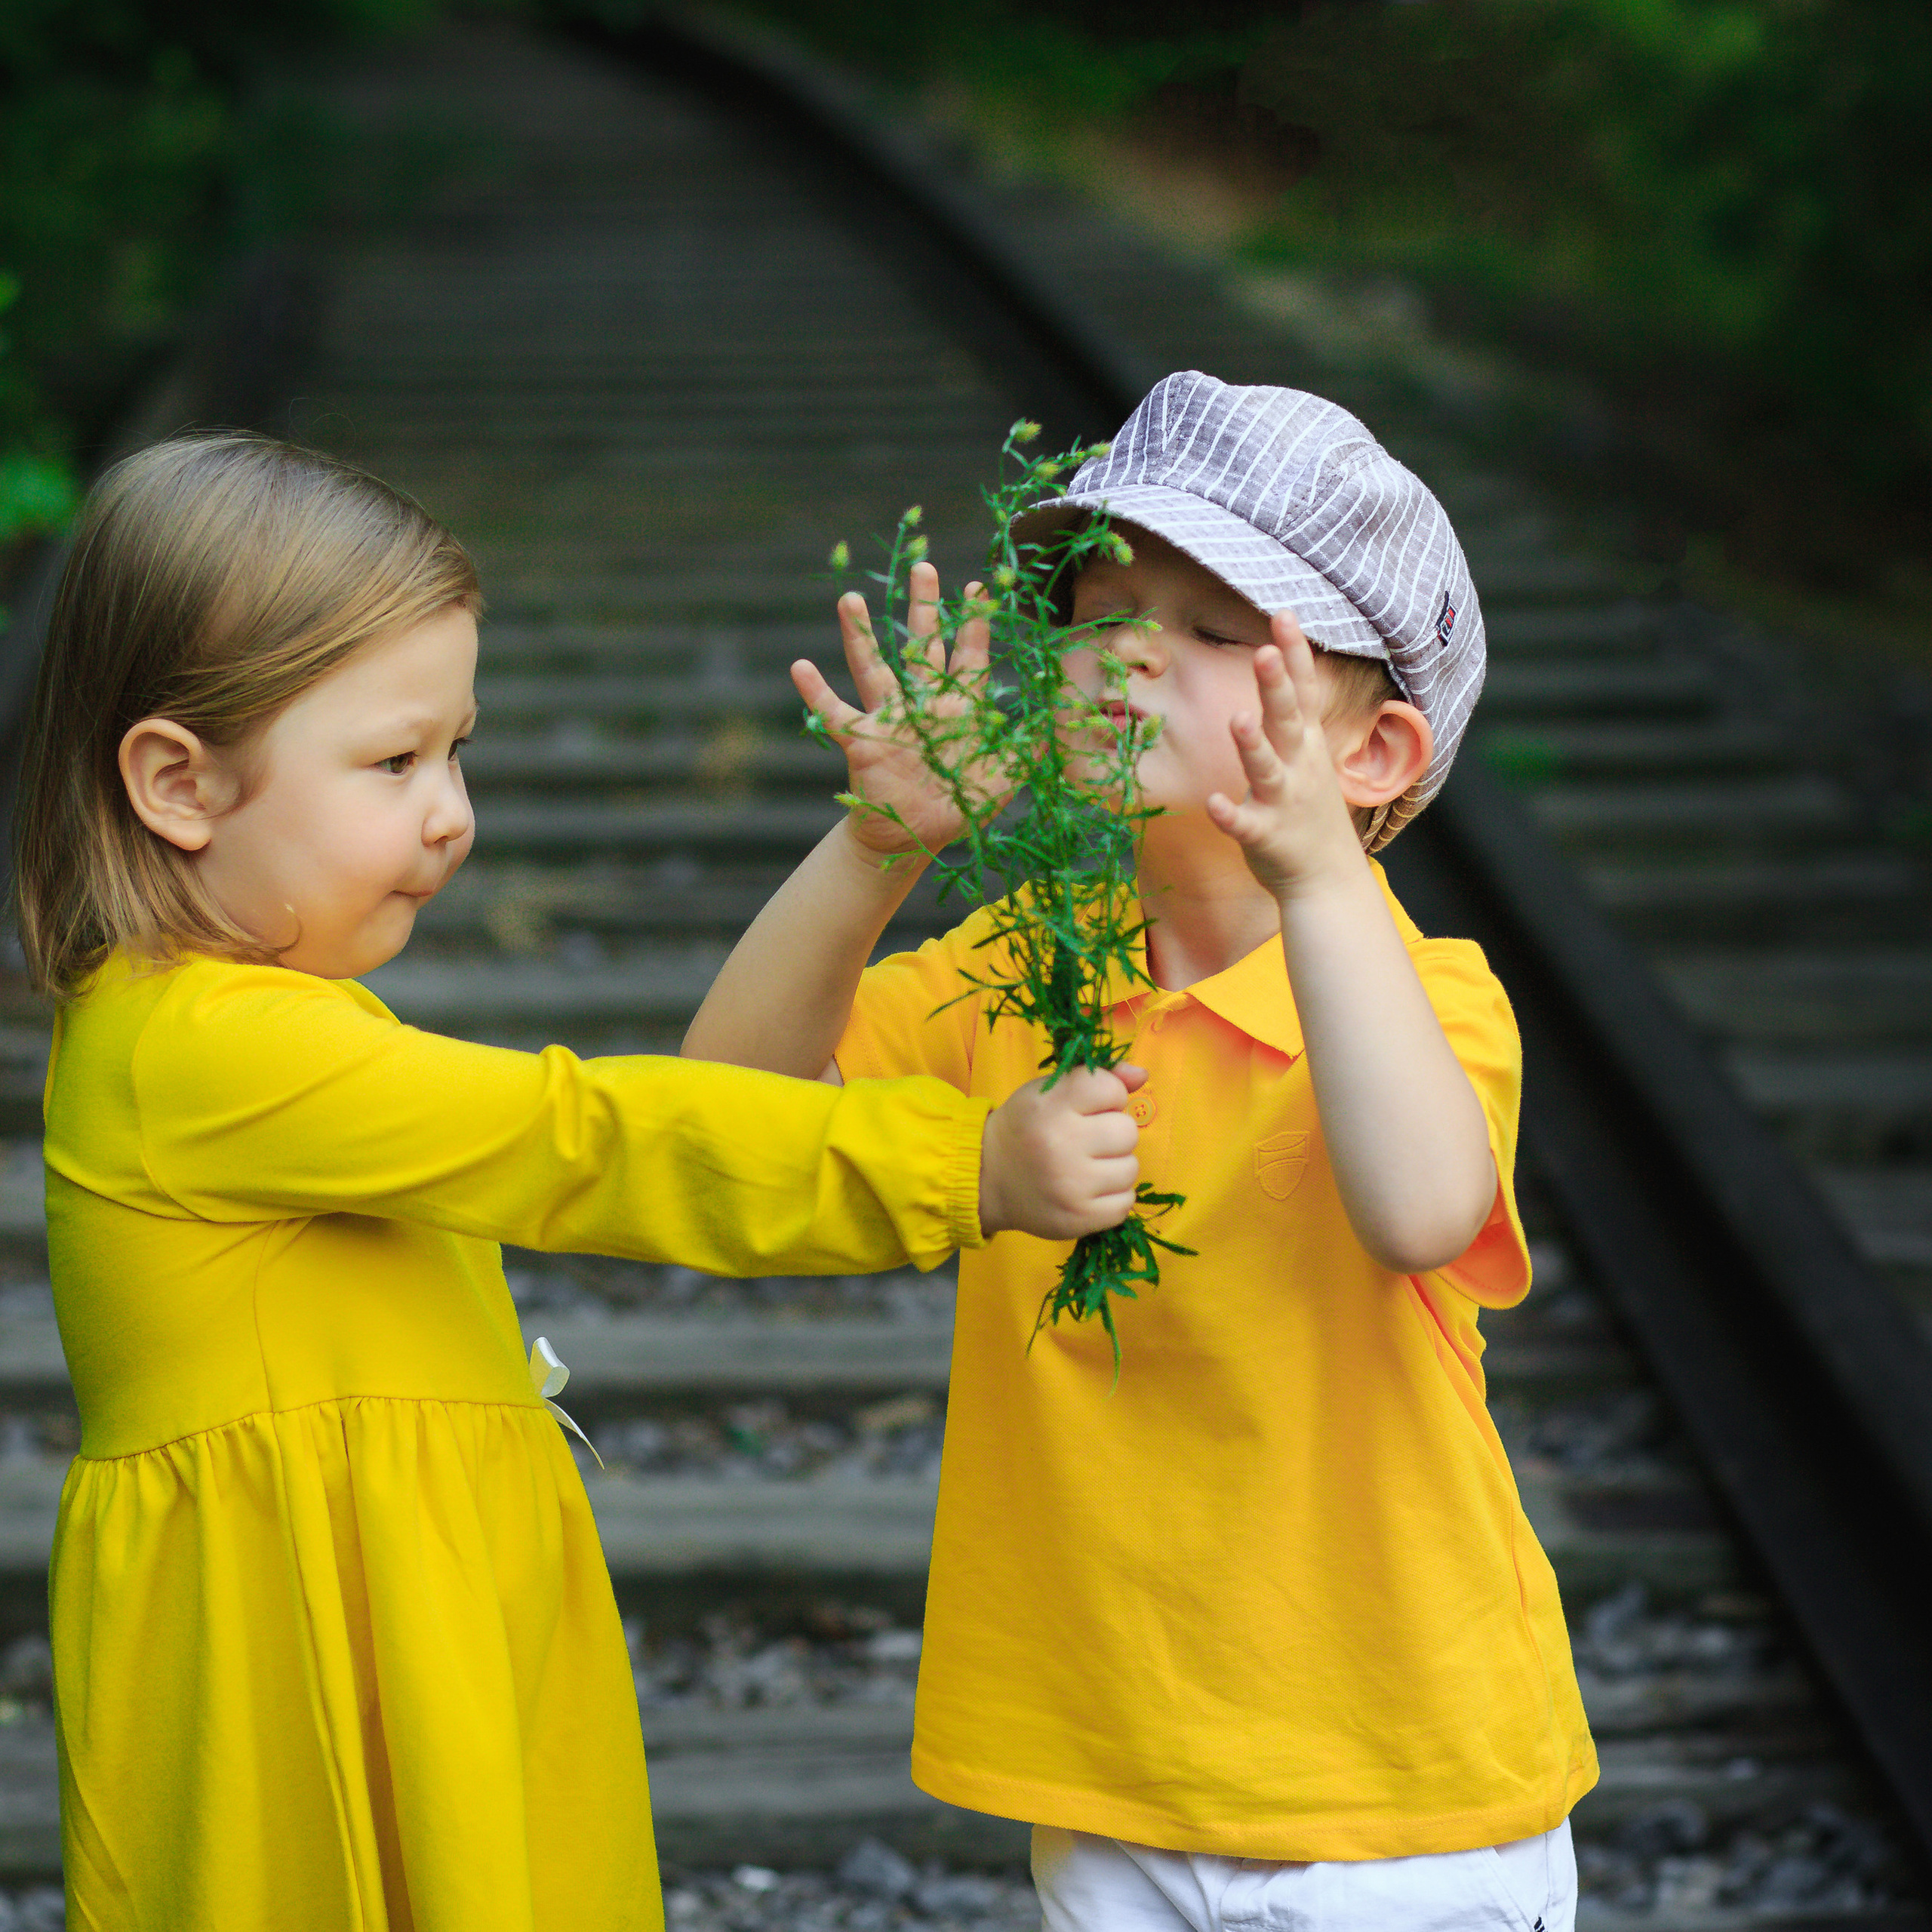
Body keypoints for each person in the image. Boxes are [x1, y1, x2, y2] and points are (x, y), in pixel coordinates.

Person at [14, 432, 1142, 1932]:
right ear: (176, 781)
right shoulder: (199, 1053)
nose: (452, 812)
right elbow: (583, 1137)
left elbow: (663, 1114)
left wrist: (879, 846)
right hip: (298, 1648)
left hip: (405, 1612)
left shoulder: (239, 1025)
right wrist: (958, 1163)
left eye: (457, 748)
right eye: (393, 759)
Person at [683, 372, 1597, 1932]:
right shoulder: (1023, 962)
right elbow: (722, 1107)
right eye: (1100, 602)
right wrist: (877, 845)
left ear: (1370, 753)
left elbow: (1418, 1204)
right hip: (1111, 1774)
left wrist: (1313, 884)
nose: (1126, 647)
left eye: (1217, 627)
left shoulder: (1429, 995)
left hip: (1395, 1793)